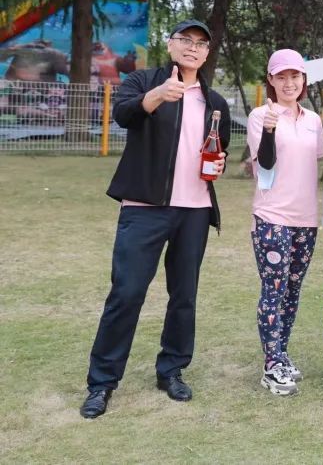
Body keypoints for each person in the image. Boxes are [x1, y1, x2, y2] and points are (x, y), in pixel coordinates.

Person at [80, 20, 230, 419]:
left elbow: (218, 150)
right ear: (171, 44)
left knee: (184, 296)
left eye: (201, 43)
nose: (193, 48)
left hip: (194, 210)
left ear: (207, 53)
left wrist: (218, 164)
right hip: (144, 207)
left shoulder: (214, 101)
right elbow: (123, 115)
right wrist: (158, 95)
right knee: (127, 293)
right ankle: (101, 383)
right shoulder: (143, 81)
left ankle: (172, 370)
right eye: (186, 40)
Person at [246, 49, 323, 396]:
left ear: (303, 79)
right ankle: (271, 364)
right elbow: (265, 164)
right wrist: (268, 130)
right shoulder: (260, 115)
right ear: (271, 80)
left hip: (306, 219)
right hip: (272, 217)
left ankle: (282, 354)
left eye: (295, 76)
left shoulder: (314, 120)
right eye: (281, 77)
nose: (289, 83)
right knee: (273, 290)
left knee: (292, 292)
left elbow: (313, 165)